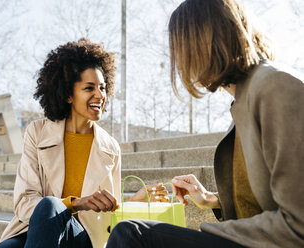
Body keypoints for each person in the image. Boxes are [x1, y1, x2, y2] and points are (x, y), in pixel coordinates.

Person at [106, 0, 304, 248]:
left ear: (204, 42)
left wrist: (211, 231)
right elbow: (266, 200)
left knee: (132, 234)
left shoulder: (276, 87)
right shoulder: (246, 97)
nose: (180, 63)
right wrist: (211, 199)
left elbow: (298, 223)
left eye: (181, 48)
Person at [0, 38, 168, 248]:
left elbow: (108, 215)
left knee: (50, 204)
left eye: (103, 88)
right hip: (33, 231)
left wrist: (134, 202)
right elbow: (24, 203)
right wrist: (76, 203)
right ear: (68, 94)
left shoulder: (111, 147)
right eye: (89, 88)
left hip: (80, 240)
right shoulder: (37, 132)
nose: (100, 95)